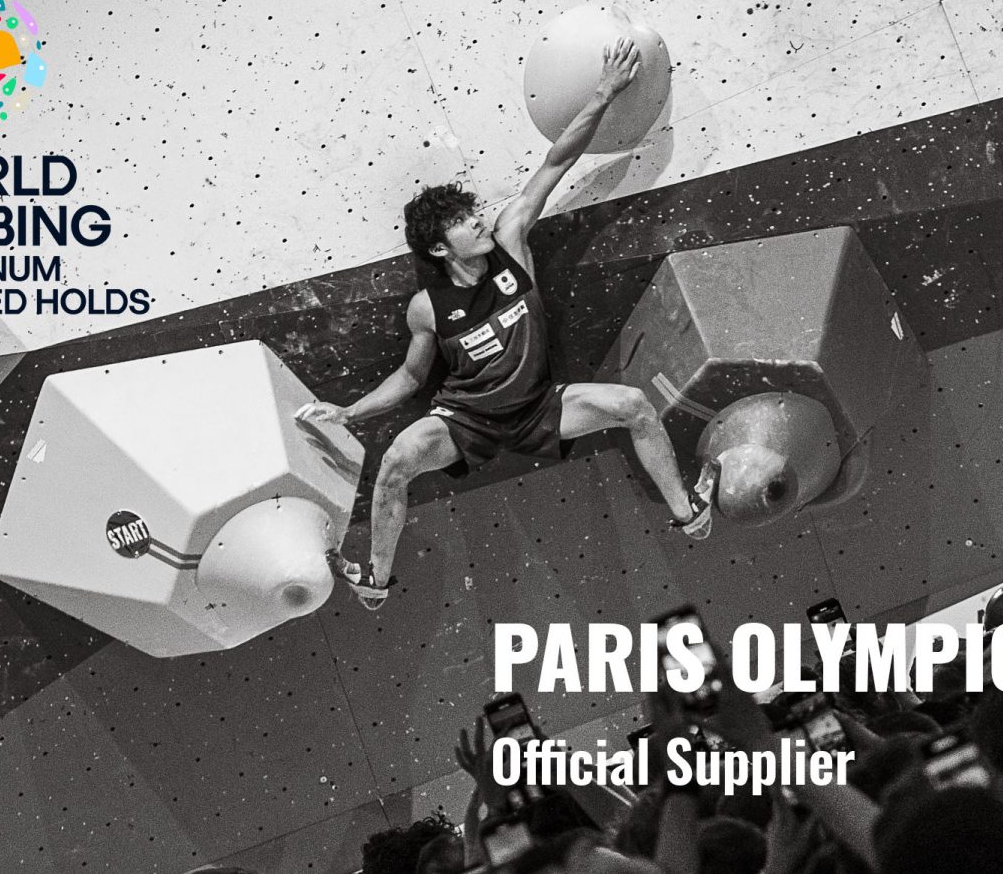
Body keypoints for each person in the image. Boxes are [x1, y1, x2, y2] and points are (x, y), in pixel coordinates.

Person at [296, 38, 713, 609]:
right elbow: (411, 377)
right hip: (466, 421)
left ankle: (689, 515)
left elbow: (557, 161)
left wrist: (604, 92)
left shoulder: (511, 241)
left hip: (540, 407)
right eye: (464, 222)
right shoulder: (427, 307)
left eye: (473, 212)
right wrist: (349, 412)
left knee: (633, 406)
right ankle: (375, 581)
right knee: (395, 462)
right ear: (440, 248)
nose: (478, 221)